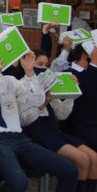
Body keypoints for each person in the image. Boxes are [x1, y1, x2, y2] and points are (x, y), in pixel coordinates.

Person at [0, 40, 78, 192]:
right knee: (18, 181)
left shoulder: (10, 80)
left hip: (18, 138)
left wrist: (30, 72)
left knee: (69, 170)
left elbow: (37, 100)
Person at [20, 50, 97, 192]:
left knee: (94, 158)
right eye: (39, 64)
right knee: (83, 160)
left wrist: (71, 92)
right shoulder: (21, 85)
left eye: (46, 65)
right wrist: (42, 103)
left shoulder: (49, 83)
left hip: (53, 130)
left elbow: (61, 115)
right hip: (37, 133)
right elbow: (23, 119)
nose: (43, 68)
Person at [67, 44, 97, 152]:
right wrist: (93, 65)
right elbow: (85, 86)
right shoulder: (68, 73)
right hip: (81, 126)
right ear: (85, 56)